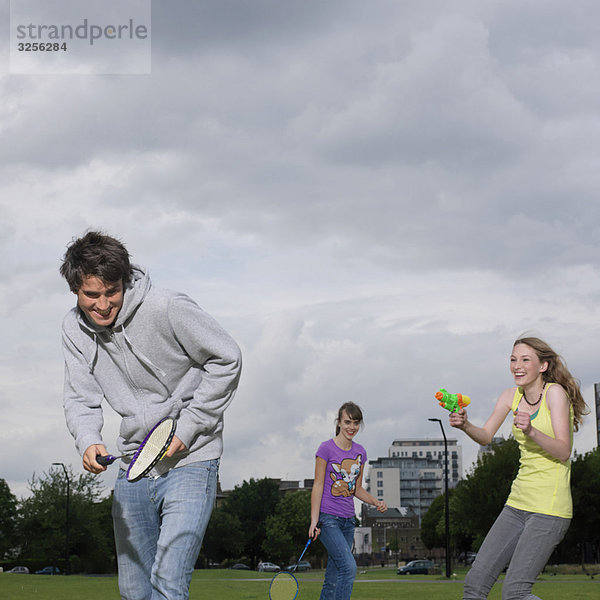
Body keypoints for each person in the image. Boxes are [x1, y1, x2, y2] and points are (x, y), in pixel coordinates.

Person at [59, 230, 242, 600]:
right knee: (134, 591)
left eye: (112, 291)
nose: (104, 304)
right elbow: (80, 397)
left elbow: (227, 358)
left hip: (192, 461)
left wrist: (189, 427)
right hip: (132, 465)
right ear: (75, 290)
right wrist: (89, 439)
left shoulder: (166, 307)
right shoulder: (73, 330)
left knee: (168, 584)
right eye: (91, 295)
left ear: (124, 281)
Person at [449, 336, 588, 600]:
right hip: (517, 503)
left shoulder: (555, 394)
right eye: (513, 360)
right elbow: (487, 436)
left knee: (515, 592)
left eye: (525, 360)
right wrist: (465, 425)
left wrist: (532, 430)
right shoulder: (509, 396)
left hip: (550, 507)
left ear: (543, 366)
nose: (517, 366)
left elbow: (563, 450)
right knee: (474, 584)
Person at [309, 402, 387, 600]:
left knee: (333, 576)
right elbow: (318, 485)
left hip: (348, 521)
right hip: (328, 520)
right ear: (339, 422)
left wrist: (375, 501)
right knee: (349, 568)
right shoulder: (325, 449)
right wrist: (314, 520)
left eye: (356, 423)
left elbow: (357, 489)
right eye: (347, 422)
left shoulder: (360, 452)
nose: (351, 427)